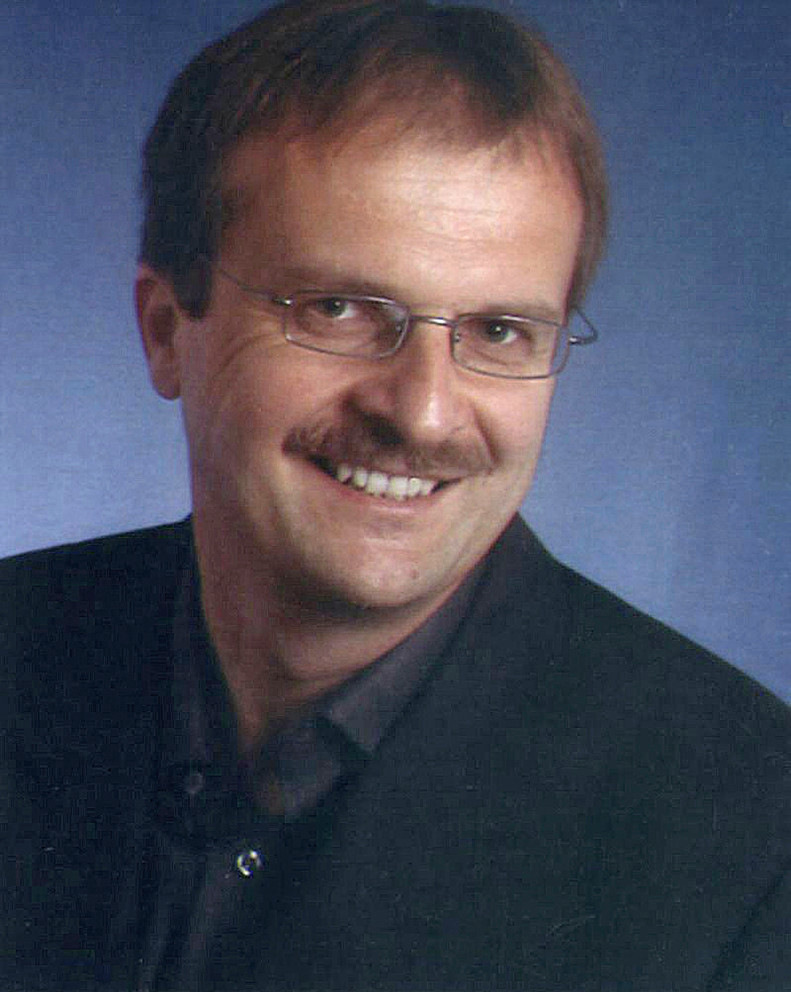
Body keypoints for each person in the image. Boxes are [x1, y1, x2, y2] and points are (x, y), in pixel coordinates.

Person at [1, 1, 788, 989]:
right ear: (166, 330)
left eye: (498, 332)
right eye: (338, 308)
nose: (422, 411)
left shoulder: (748, 832)